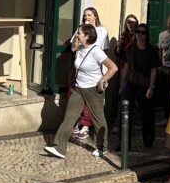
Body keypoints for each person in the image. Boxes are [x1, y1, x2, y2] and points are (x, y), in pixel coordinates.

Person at [46, 23, 117, 159]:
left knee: (98, 119)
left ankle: (102, 147)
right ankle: (59, 147)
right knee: (69, 117)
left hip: (93, 89)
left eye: (79, 33)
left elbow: (113, 67)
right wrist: (77, 40)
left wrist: (102, 80)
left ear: (87, 36)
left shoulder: (97, 51)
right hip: (78, 88)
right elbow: (73, 48)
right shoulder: (79, 48)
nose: (77, 34)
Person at [120, 23, 159, 149]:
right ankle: (124, 143)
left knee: (146, 113)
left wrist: (151, 87)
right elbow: (125, 67)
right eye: (138, 32)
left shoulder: (152, 50)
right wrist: (122, 85)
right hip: (131, 82)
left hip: (145, 84)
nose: (140, 35)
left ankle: (148, 139)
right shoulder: (130, 48)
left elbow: (154, 70)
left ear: (147, 35)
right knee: (125, 111)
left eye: (143, 32)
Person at [71, 7, 108, 138]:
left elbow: (97, 46)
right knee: (77, 97)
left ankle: (86, 125)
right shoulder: (80, 29)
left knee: (90, 98)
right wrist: (76, 40)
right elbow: (74, 48)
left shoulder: (101, 30)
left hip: (93, 67)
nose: (87, 17)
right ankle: (78, 122)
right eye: (85, 15)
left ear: (95, 17)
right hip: (80, 66)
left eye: (89, 15)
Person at [156, 15, 170, 117]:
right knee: (165, 93)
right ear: (167, 22)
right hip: (165, 67)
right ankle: (166, 115)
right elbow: (160, 51)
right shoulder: (162, 35)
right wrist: (160, 65)